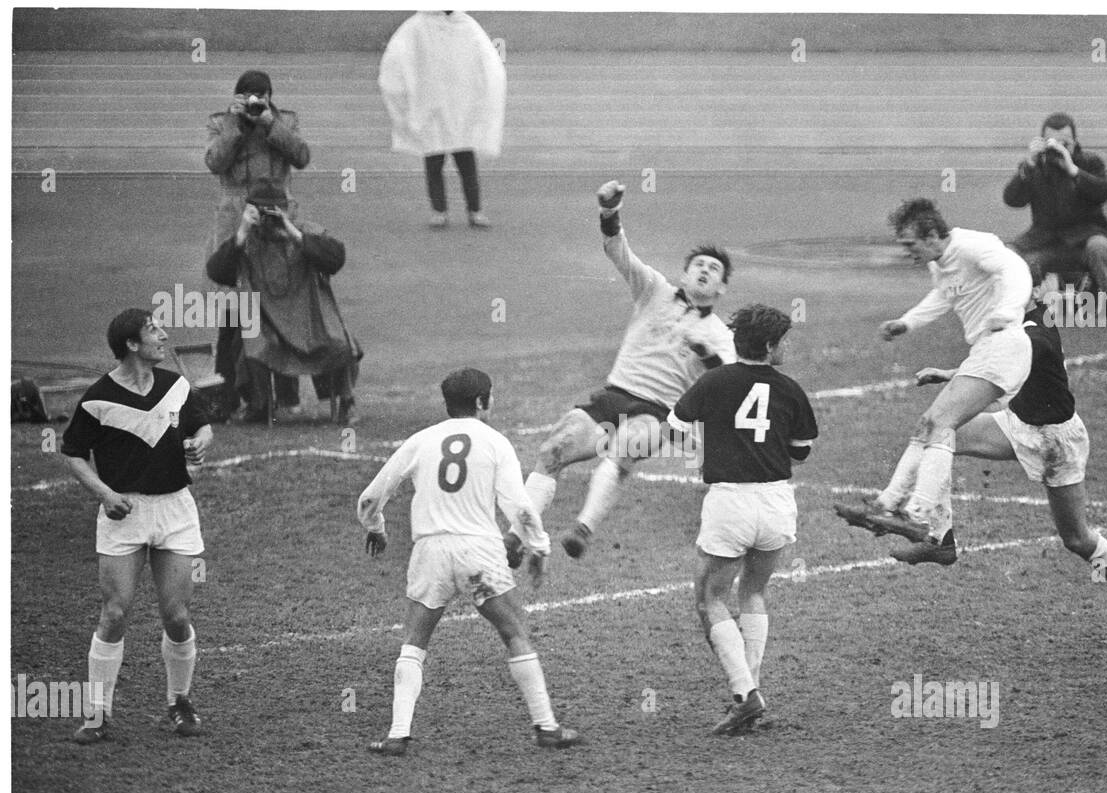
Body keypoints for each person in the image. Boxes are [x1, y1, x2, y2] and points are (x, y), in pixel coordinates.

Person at [838, 270, 1107, 632]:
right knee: (941, 432)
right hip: (1017, 424)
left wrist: (957, 377)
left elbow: (1002, 374)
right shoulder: (1026, 319)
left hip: (1055, 443)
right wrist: (951, 373)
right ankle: (939, 537)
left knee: (1076, 539)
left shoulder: (1035, 336)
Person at [502, 178, 737, 564]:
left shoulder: (719, 334)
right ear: (684, 274)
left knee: (625, 447)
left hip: (657, 412)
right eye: (698, 265)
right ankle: (516, 536)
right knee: (554, 449)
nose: (705, 271)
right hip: (612, 396)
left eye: (714, 269)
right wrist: (609, 211)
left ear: (722, 289)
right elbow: (619, 252)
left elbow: (727, 381)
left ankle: (582, 530)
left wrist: (707, 354)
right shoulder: (655, 290)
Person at [358, 368, 582, 754]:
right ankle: (546, 727)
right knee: (514, 633)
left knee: (413, 643)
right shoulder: (496, 443)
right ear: (481, 402)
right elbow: (518, 505)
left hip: (429, 552)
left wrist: (375, 527)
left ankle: (397, 735)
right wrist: (540, 546)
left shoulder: (420, 441)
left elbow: (370, 497)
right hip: (479, 551)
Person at [834, 198, 1032, 552]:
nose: (907, 253)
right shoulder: (940, 265)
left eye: (911, 244)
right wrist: (907, 322)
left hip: (1003, 346)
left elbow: (1016, 269)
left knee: (939, 424)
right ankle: (889, 506)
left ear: (931, 235)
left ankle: (918, 514)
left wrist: (1008, 309)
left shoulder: (973, 245)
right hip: (986, 352)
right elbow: (942, 297)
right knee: (931, 426)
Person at [61, 309, 214, 743]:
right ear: (131, 344)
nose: (164, 336)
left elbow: (203, 427)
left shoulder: (176, 386)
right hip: (122, 515)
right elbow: (73, 452)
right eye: (153, 330)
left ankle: (179, 703)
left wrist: (200, 444)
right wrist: (104, 495)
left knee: (177, 614)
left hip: (174, 511)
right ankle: (97, 713)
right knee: (114, 613)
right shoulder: (97, 398)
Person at [669, 305, 818, 735]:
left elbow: (676, 424)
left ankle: (745, 694)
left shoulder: (713, 381)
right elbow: (801, 450)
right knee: (753, 592)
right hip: (776, 502)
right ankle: (752, 697)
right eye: (783, 342)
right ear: (770, 347)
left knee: (710, 599)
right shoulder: (790, 389)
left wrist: (712, 437)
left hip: (729, 502)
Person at [206, 179, 362, 425]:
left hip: (308, 319)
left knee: (339, 344)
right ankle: (259, 406)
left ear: (288, 209)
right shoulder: (246, 240)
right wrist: (243, 232)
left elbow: (335, 259)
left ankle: (346, 401)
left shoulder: (304, 231)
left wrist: (292, 232)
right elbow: (217, 272)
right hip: (266, 320)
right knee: (253, 346)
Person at [206, 70, 312, 415]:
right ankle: (227, 397)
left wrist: (269, 124)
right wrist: (237, 125)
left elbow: (301, 156)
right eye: (248, 98)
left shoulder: (284, 121)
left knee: (279, 304)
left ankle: (284, 399)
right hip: (236, 217)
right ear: (237, 98)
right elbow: (215, 162)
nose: (254, 104)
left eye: (260, 97)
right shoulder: (223, 123)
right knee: (234, 311)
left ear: (269, 96)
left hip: (276, 213)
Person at [378, 11, 506, 229]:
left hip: (460, 110)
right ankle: (440, 211)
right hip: (431, 109)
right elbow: (396, 60)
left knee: (466, 163)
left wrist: (480, 98)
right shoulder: (417, 26)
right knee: (434, 163)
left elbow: (489, 64)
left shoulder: (466, 25)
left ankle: (475, 211)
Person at [1002, 112, 1107, 296]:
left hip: (1085, 239)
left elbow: (1103, 192)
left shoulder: (1089, 162)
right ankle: (1017, 304)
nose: (1059, 148)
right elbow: (1012, 200)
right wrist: (1029, 165)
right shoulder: (1035, 166)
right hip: (1045, 241)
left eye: (1065, 143)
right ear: (1042, 142)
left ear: (1075, 142)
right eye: (1052, 142)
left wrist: (1074, 171)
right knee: (1008, 254)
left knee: (1099, 247)